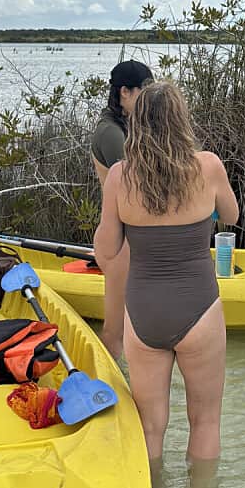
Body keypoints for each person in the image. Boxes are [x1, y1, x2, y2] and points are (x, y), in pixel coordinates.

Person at [93, 80, 239, 466]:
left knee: (149, 427)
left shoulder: (120, 177)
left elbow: (106, 250)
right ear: (181, 120)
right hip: (199, 307)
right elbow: (232, 216)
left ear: (137, 122)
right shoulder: (207, 166)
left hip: (143, 312)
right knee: (206, 423)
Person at [90, 59, 153, 359]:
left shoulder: (130, 125)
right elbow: (137, 184)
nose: (150, 99)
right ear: (125, 92)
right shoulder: (110, 132)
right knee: (114, 330)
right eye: (145, 92)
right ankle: (116, 387)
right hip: (119, 241)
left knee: (135, 324)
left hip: (132, 235)